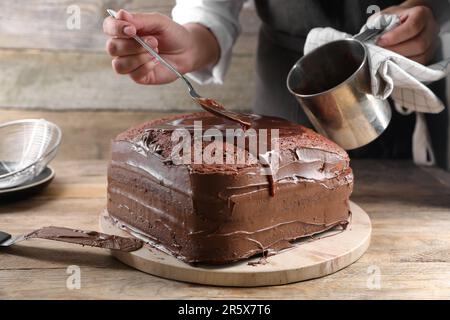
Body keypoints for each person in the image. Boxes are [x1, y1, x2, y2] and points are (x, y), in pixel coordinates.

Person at [103, 0, 450, 169]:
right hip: (287, 92)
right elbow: (212, 8)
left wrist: (434, 29)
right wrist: (190, 45)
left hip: (416, 80)